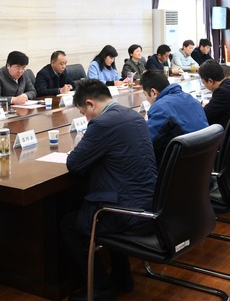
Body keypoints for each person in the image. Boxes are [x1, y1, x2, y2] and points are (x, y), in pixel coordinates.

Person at [62, 80, 157, 300]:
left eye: (84, 113)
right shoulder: (133, 115)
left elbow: (74, 164)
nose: (86, 118)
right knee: (108, 201)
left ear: (90, 104)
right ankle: (123, 277)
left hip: (127, 212)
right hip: (150, 203)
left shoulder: (102, 124)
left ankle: (101, 288)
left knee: (69, 224)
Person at [140, 71, 209, 163]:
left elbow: (147, 141)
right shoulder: (190, 98)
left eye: (145, 95)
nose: (146, 99)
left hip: (182, 163)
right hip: (204, 160)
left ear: (153, 92)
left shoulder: (160, 107)